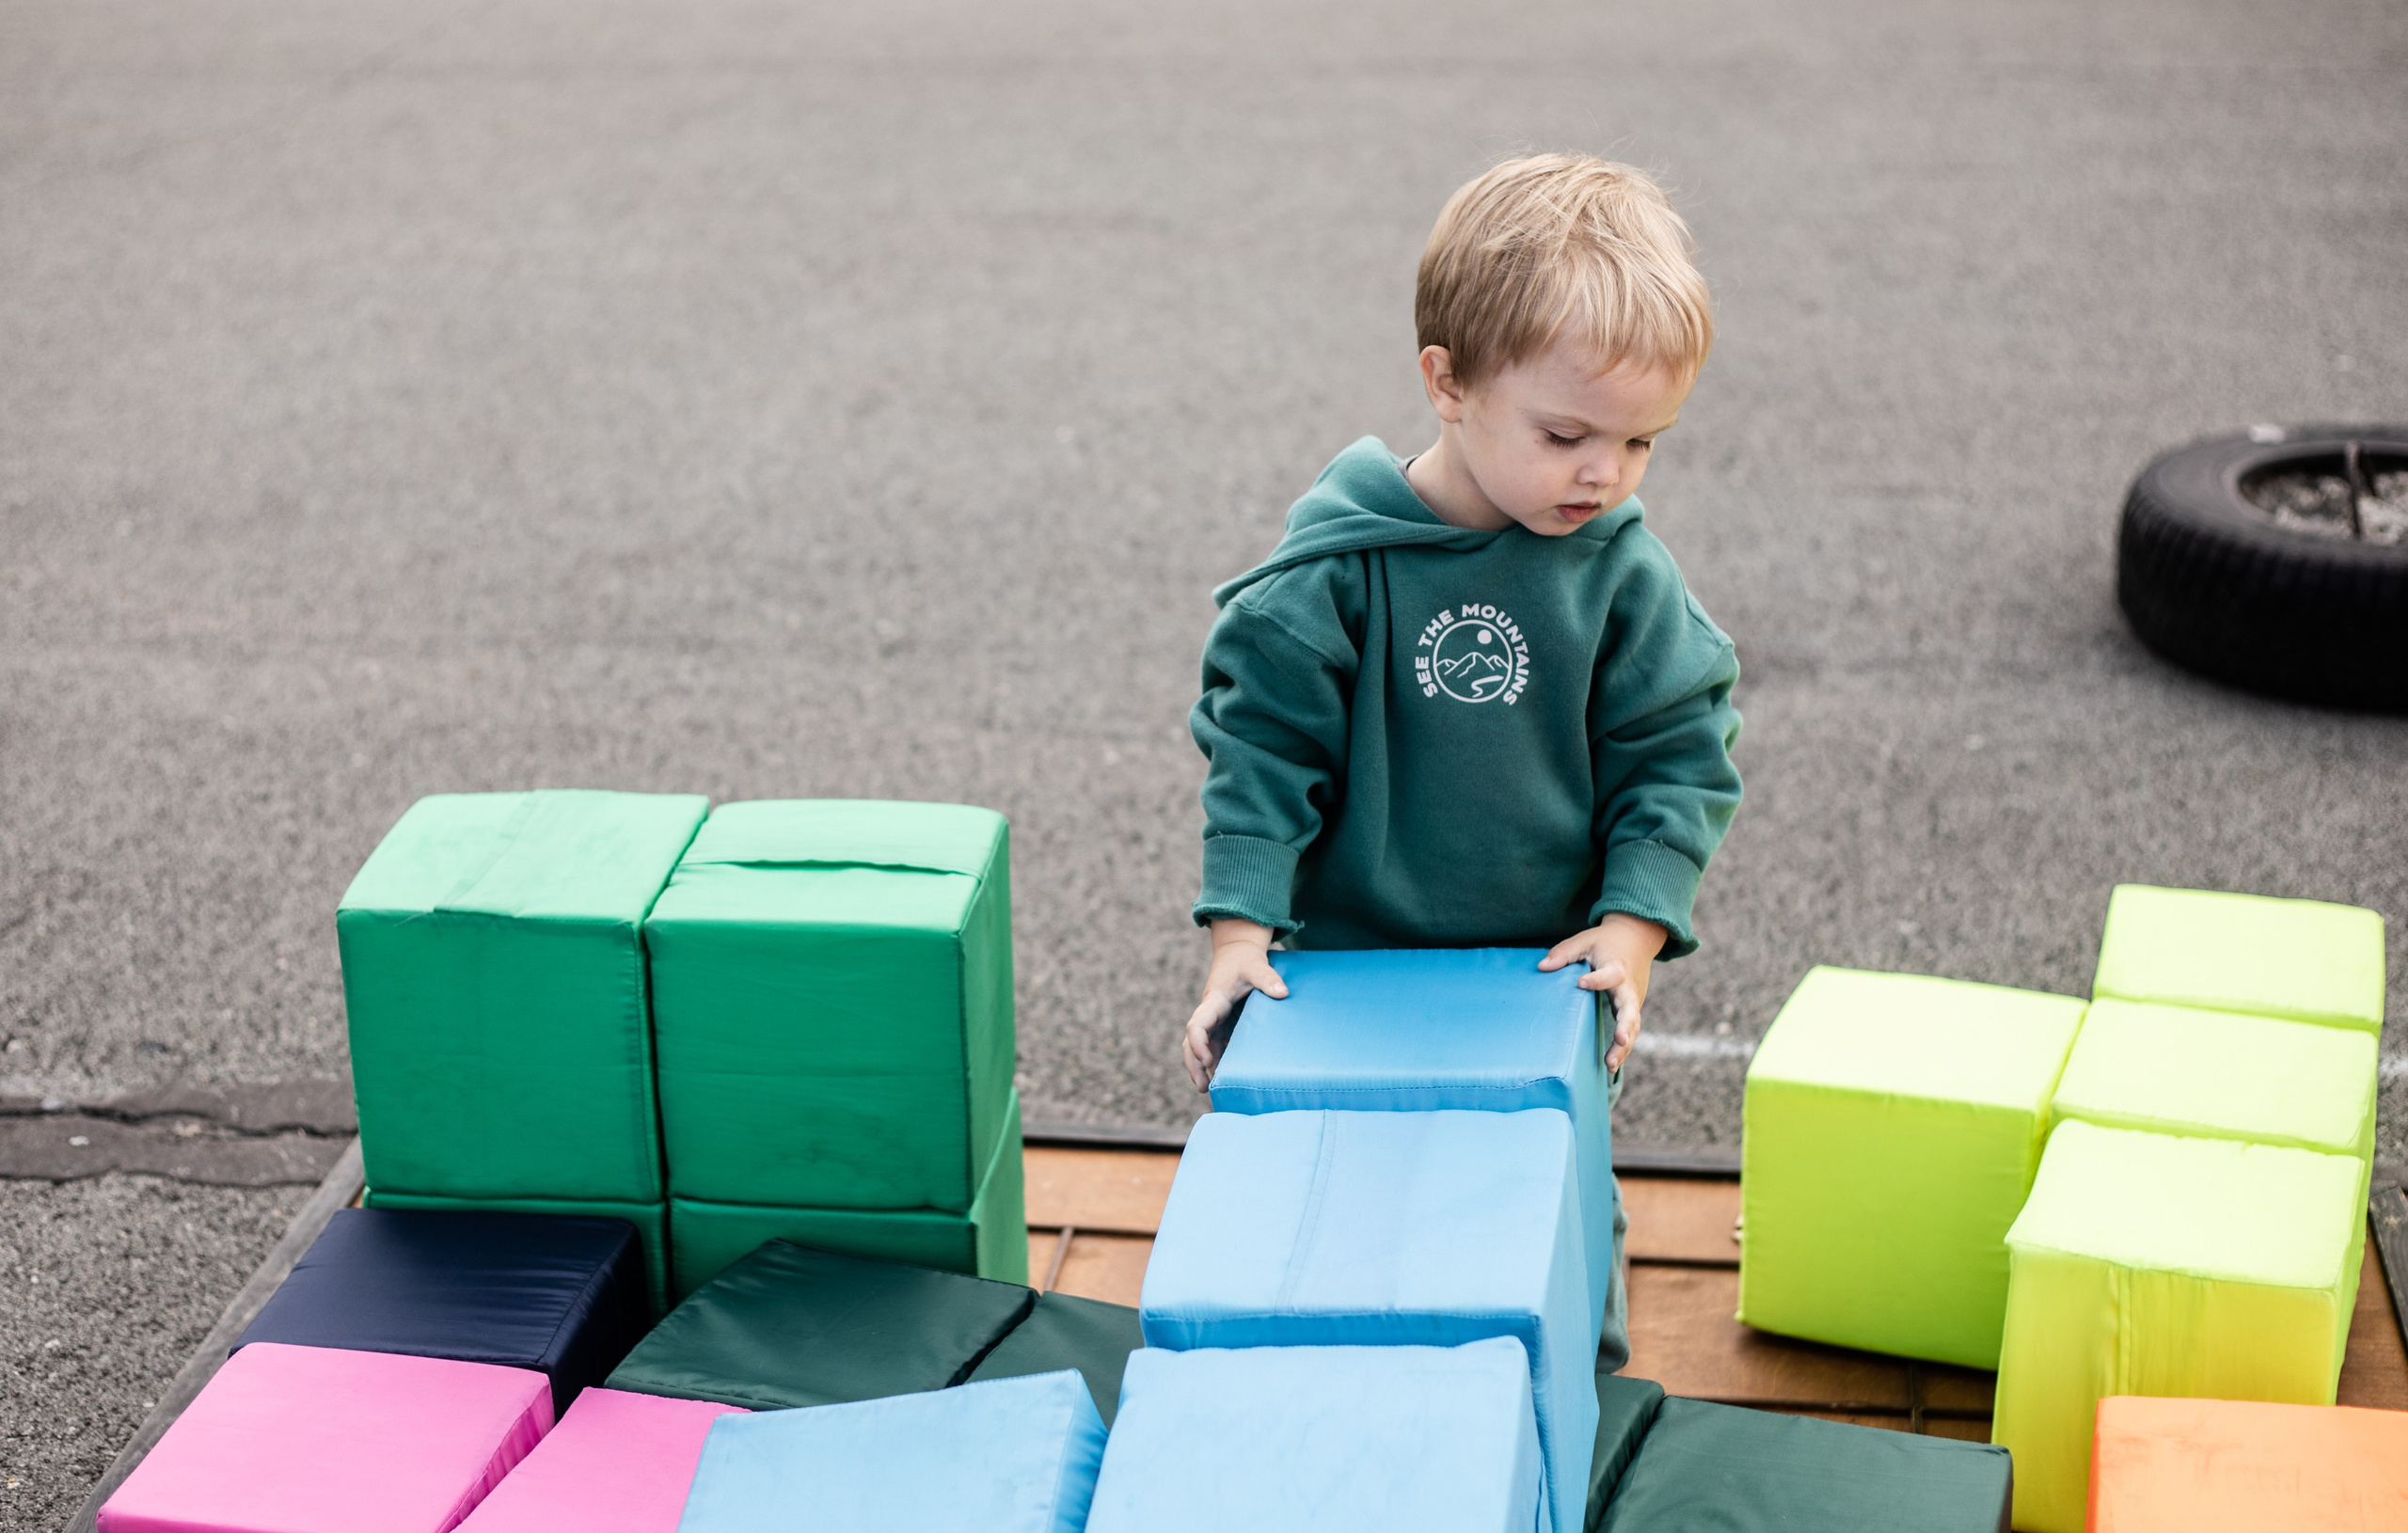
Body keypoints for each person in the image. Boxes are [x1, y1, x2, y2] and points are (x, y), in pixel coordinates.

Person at [1181, 153, 1745, 1366]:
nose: (1606, 474)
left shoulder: (1620, 574)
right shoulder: (1339, 567)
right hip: (1348, 974)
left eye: (1643, 442)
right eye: (1567, 434)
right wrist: (1240, 934)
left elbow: (1678, 749)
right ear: (1447, 382)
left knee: (1547, 1217)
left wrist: (1636, 924)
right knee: (1348, 1217)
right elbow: (1262, 743)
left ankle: (1562, 1421)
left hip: (1538, 978)